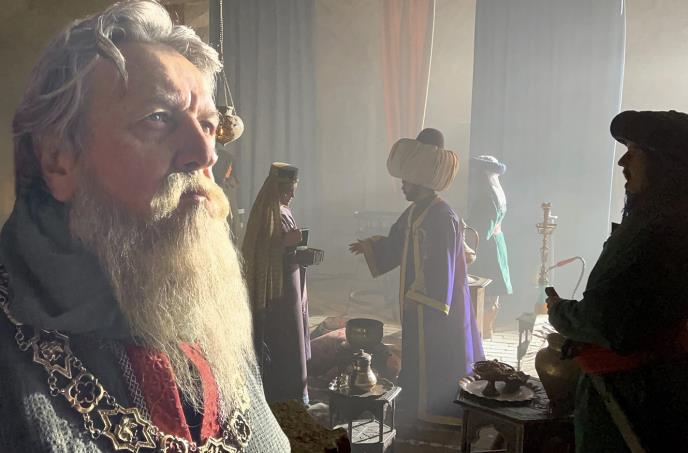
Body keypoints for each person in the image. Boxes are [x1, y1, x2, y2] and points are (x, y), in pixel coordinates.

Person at [0, 1, 290, 451]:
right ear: (59, 161)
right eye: (157, 118)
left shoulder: (210, 306)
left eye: (208, 125)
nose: (205, 154)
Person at [546, 110, 688, 452]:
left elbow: (608, 321)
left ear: (664, 165)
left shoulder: (656, 232)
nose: (623, 162)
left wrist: (560, 312)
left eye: (634, 152)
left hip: (633, 394)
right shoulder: (666, 222)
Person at [349, 128, 484, 425]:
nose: (402, 186)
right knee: (416, 353)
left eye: (406, 180)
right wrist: (372, 247)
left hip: (436, 305)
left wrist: (422, 297)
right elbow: (398, 242)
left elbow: (441, 265)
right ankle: (414, 403)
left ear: (420, 180)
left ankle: (437, 409)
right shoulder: (415, 212)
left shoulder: (442, 215)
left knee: (438, 353)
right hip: (417, 302)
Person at [242, 163, 311, 405]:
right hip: (276, 288)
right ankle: (282, 395)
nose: (292, 195)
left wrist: (299, 249)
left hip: (292, 279)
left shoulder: (285, 211)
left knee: (295, 332)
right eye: (289, 191)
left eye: (293, 190)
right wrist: (284, 243)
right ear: (278, 189)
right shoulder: (267, 214)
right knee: (284, 334)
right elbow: (261, 250)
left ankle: (297, 392)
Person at [467, 155, 513, 338]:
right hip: (496, 242)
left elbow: (482, 229)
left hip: (487, 248)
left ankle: (481, 329)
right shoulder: (495, 194)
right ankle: (485, 329)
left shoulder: (487, 198)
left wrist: (465, 232)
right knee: (492, 292)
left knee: (485, 288)